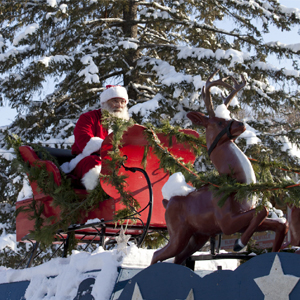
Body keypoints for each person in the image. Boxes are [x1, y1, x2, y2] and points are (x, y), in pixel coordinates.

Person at [61, 85, 130, 190]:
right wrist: (109, 147)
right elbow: (84, 140)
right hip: (87, 159)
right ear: (105, 102)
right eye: (115, 101)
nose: (119, 105)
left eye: (122, 102)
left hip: (118, 161)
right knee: (96, 164)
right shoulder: (88, 118)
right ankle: (97, 193)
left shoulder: (126, 125)